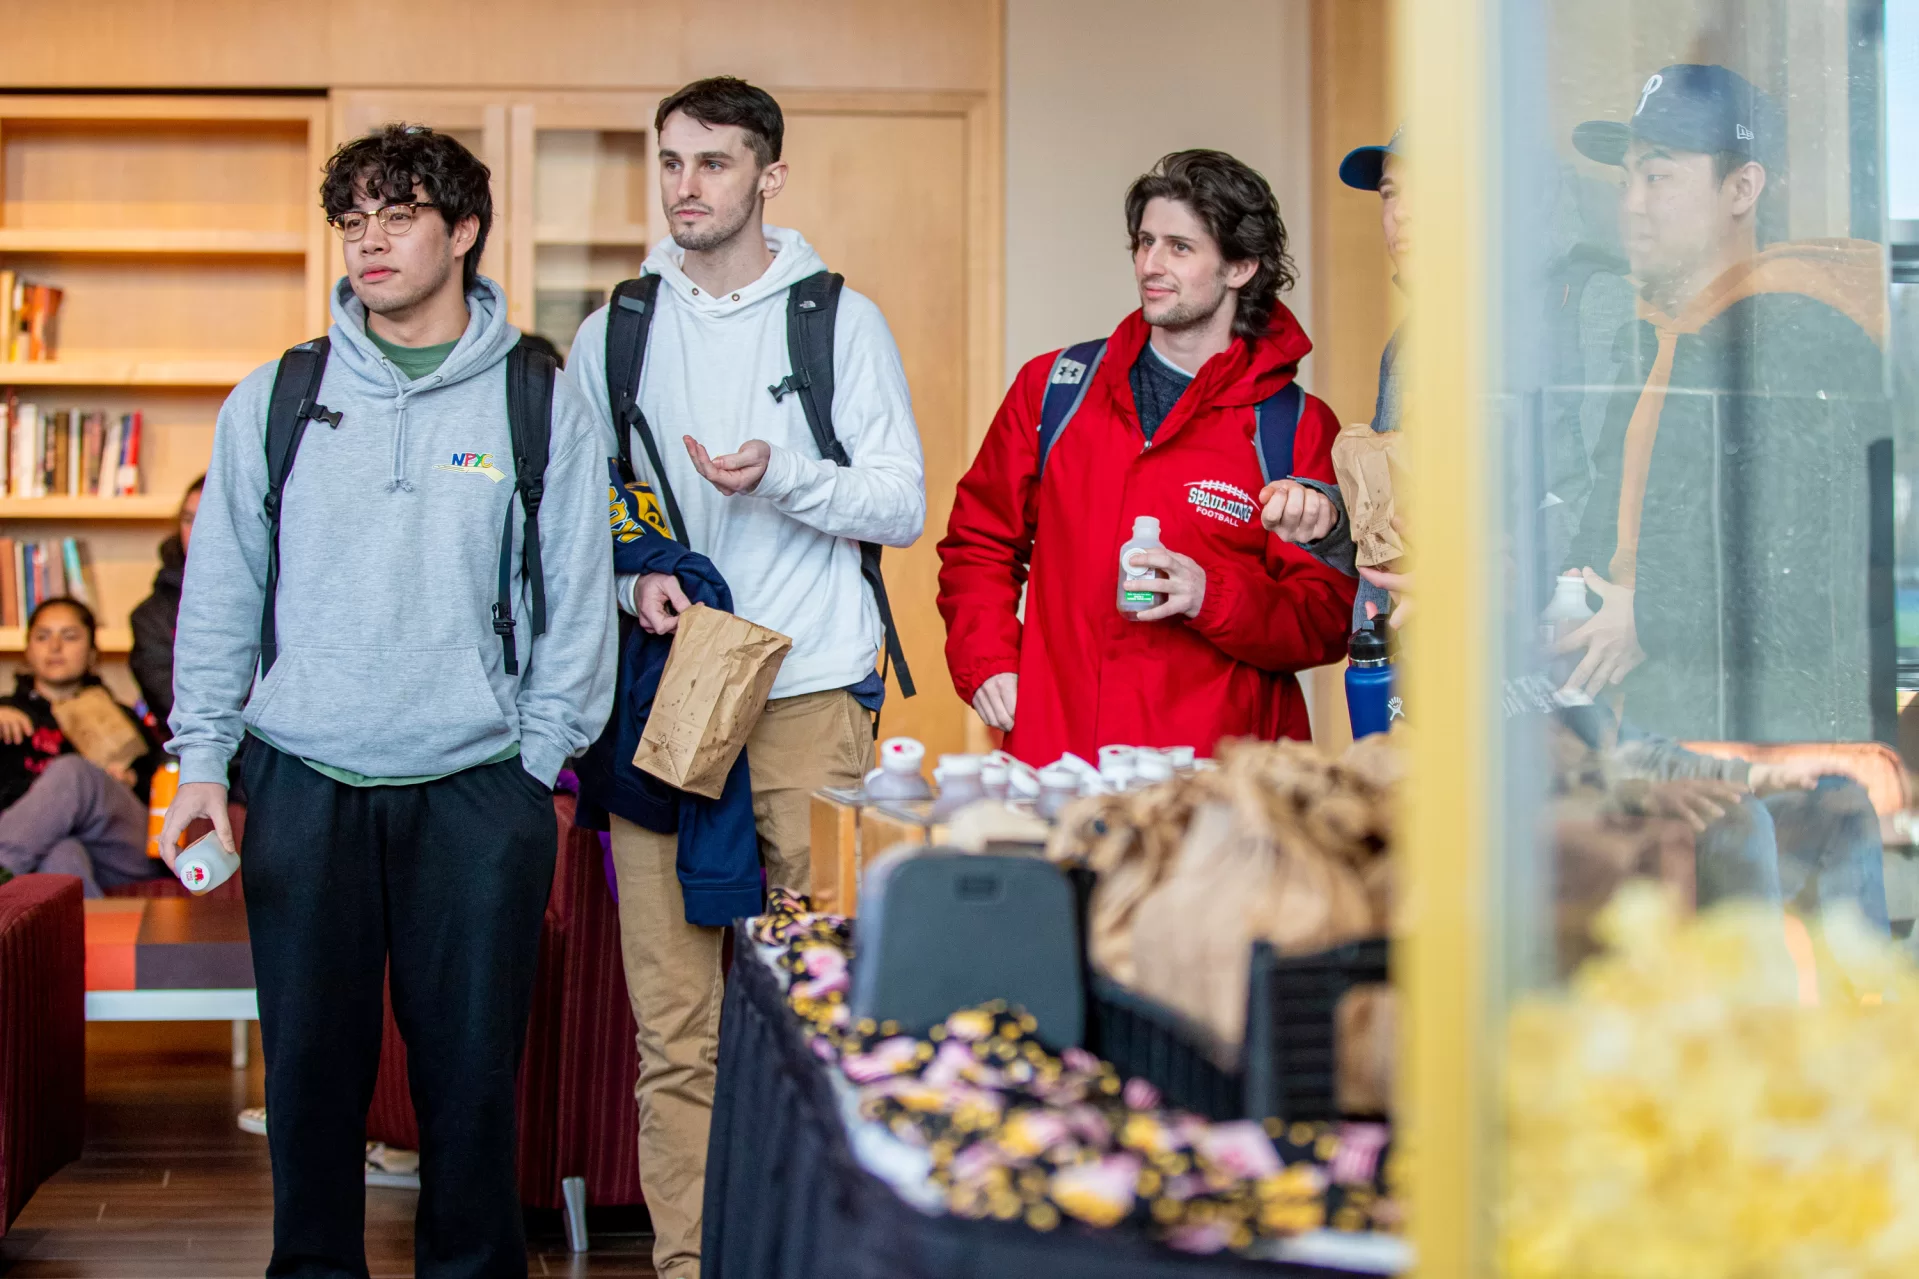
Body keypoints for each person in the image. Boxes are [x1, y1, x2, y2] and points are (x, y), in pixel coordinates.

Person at [160, 123, 615, 1278]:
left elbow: (577, 602)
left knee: (469, 1079)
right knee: (311, 1076)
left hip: (477, 787)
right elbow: (220, 595)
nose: (369, 241)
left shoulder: (538, 397)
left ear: (461, 231)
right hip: (303, 777)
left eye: (398, 216)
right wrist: (203, 763)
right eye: (352, 221)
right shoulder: (278, 395)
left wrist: (534, 758)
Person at [563, 77, 924, 1279]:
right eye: (669, 162)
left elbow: (901, 501)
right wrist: (631, 584)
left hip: (813, 696)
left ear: (769, 176)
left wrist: (782, 475)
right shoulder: (611, 328)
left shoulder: (837, 320)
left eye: (713, 164)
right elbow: (573, 522)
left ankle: (822, 1257)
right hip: (665, 700)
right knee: (673, 1029)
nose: (684, 186)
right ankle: (686, 1268)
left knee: (826, 1016)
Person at [938, 149, 1355, 765]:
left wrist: (1207, 593)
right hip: (1061, 763)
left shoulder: (1293, 426)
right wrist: (990, 662)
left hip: (1221, 783)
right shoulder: (1055, 388)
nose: (1151, 265)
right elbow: (979, 543)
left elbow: (1324, 619)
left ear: (1240, 266)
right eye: (1144, 241)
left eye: (1180, 247)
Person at [1560, 64, 1885, 742]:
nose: (1631, 204)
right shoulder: (1654, 336)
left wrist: (1646, 618)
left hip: (1770, 767)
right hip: (1657, 737)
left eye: (1658, 176)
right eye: (1624, 180)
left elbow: (1807, 581)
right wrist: (1568, 589)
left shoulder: (1798, 334)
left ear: (1742, 187)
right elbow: (1613, 527)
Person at [1264, 128, 1408, 628]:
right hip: (1398, 666)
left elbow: (1579, 522)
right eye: (1391, 194)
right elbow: (1394, 540)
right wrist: (1328, 521)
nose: (1400, 215)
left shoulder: (1547, 327)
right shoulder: (1409, 342)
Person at [0, 598, 164, 897]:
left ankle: (2, 866)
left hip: (118, 848)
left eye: (70, 636)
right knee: (62, 855)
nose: (55, 646)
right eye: (42, 636)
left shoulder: (123, 718)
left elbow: (162, 786)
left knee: (74, 771)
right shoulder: (6, 714)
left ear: (91, 653)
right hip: (44, 844)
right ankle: (83, 941)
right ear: (27, 650)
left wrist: (131, 781)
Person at [128, 476, 202, 727]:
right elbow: (175, 708)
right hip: (194, 755)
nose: (196, 531)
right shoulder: (152, 616)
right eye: (189, 519)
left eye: (209, 518)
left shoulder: (278, 595)